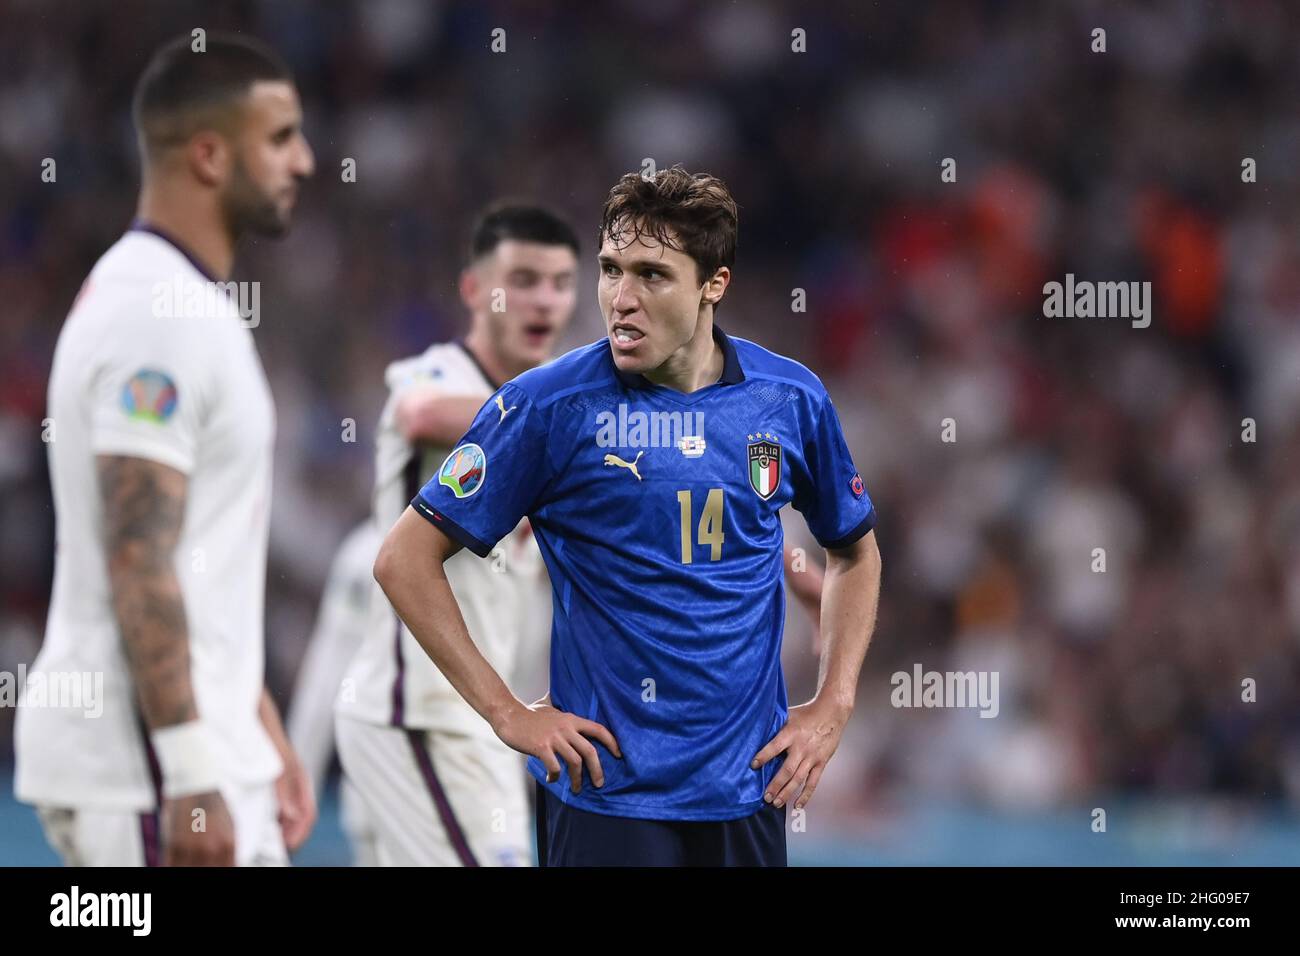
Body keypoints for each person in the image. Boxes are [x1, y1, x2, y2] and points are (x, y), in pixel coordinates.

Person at [374, 166, 882, 866]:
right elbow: (403, 559)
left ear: (715, 284)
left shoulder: (788, 399)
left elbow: (854, 550)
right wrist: (508, 712)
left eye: (652, 275)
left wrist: (834, 705)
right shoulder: (547, 407)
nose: (621, 299)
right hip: (609, 798)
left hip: (748, 791)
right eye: (610, 270)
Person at [15, 33, 317, 866]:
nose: (307, 161)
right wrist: (188, 770)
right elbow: (138, 553)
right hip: (150, 765)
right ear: (211, 155)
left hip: (196, 751)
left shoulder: (180, 303)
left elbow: (194, 559)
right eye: (282, 137)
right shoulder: (156, 313)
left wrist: (258, 732)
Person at [334, 204, 578, 866]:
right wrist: (582, 414)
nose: (544, 300)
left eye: (560, 282)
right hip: (418, 712)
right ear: (475, 289)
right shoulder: (441, 374)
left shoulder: (550, 416)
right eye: (523, 279)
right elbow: (418, 414)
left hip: (481, 719)